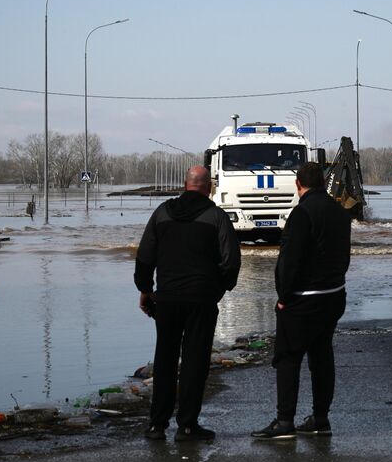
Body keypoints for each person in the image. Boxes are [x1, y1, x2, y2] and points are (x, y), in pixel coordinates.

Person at [134, 165, 241, 442]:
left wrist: (146, 290)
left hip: (167, 298)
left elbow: (145, 254)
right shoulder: (216, 216)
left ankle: (157, 425)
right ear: (209, 188)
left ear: (185, 184)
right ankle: (188, 426)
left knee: (165, 359)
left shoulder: (162, 212)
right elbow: (231, 261)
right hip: (201, 299)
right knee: (195, 362)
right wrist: (219, 289)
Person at [251, 162, 351, 440]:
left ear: (298, 185)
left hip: (304, 299)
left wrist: (284, 297)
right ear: (323, 182)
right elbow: (344, 256)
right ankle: (320, 418)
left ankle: (285, 422)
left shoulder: (302, 213)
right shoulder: (340, 213)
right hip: (333, 295)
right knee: (322, 357)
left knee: (287, 358)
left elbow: (290, 261)